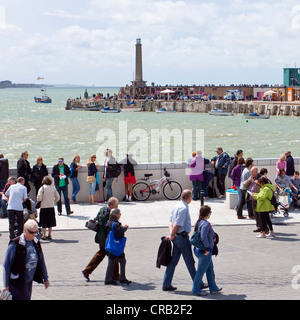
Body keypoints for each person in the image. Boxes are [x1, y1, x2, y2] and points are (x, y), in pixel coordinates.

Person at [2, 219, 50, 300]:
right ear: (24, 230)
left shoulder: (36, 242)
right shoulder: (15, 244)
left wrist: (45, 278)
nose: (33, 235)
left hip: (28, 282)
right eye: (31, 232)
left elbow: (41, 260)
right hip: (16, 282)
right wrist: (5, 285)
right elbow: (6, 265)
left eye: (35, 232)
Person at [162, 190, 196, 291]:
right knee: (190, 261)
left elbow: (170, 221)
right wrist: (172, 234)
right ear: (190, 197)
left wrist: (171, 234)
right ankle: (198, 282)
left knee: (173, 262)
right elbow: (178, 224)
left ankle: (166, 283)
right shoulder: (183, 208)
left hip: (177, 237)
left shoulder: (177, 205)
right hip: (182, 237)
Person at [82, 197, 119, 282]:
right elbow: (111, 225)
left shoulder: (102, 209)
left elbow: (97, 219)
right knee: (114, 254)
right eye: (116, 206)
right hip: (107, 238)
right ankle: (115, 275)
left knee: (101, 253)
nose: (117, 208)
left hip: (100, 236)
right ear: (111, 205)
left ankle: (87, 270)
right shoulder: (111, 213)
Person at [192, 205, 222, 296]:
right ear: (208, 214)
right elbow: (203, 237)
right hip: (204, 251)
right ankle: (196, 289)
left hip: (200, 250)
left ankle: (213, 287)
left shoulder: (200, 222)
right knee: (200, 271)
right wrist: (208, 248)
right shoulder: (205, 224)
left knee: (210, 269)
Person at [104, 208, 131, 285]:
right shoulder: (116, 224)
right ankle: (122, 278)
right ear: (116, 215)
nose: (120, 215)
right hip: (116, 247)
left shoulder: (108, 222)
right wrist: (124, 228)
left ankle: (108, 279)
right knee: (123, 261)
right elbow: (119, 235)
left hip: (109, 246)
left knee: (111, 262)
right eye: (119, 214)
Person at [37, 176, 60, 240]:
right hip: (51, 206)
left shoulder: (42, 188)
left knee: (43, 222)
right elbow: (58, 197)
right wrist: (53, 201)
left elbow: (39, 197)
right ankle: (49, 235)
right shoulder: (53, 188)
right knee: (50, 221)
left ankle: (44, 235)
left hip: (44, 206)